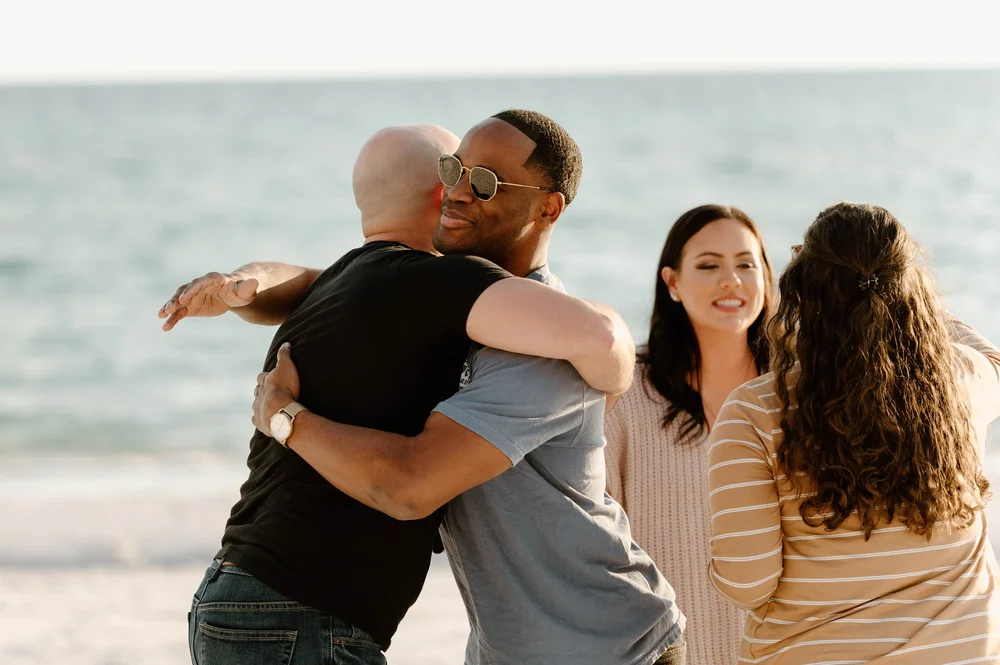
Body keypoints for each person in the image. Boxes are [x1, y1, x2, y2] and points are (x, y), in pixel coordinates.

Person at [160, 122, 640, 665]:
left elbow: (292, 281)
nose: (461, 189)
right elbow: (595, 337)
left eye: (480, 180)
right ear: (439, 194)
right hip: (301, 613)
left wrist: (241, 285)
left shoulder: (348, 279)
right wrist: (619, 367)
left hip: (236, 594)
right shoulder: (438, 285)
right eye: (454, 171)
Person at [708, 201, 1000, 664]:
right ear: (911, 291)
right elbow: (991, 358)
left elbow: (748, 581)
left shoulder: (754, 412)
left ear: (804, 291)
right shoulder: (960, 385)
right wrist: (909, 301)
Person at [604, 204, 775, 663]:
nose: (731, 280)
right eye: (708, 265)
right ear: (672, 283)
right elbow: (597, 534)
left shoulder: (799, 391)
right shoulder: (628, 392)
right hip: (665, 651)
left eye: (745, 264)